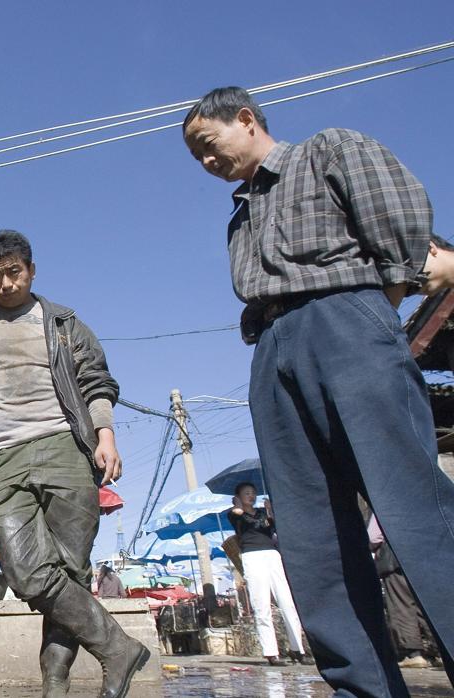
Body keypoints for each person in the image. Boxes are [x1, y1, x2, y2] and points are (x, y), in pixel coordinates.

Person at [182, 86, 454, 696]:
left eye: (208, 143)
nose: (206, 161)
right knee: (313, 535)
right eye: (196, 156)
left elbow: (404, 221)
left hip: (346, 320)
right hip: (272, 348)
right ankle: (363, 687)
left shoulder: (327, 149)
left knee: (412, 501)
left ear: (246, 119)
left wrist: (371, 314)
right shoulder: (240, 214)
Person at [0, 230, 149, 698]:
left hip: (66, 448)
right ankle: (118, 649)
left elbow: (96, 383)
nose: (5, 284)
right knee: (26, 571)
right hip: (1, 459)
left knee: (69, 573)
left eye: (13, 273)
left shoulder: (63, 323)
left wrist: (105, 435)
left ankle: (55, 685)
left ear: (30, 269)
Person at [225, 482, 311, 667]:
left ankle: (298, 649)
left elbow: (274, 528)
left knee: (287, 602)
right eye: (246, 493)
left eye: (253, 493)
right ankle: (271, 652)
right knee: (261, 604)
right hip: (252, 556)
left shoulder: (263, 513)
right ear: (239, 496)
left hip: (272, 555)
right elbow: (237, 514)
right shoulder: (235, 513)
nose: (251, 496)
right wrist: (237, 505)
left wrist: (270, 510)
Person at [368, 514, 445, 670]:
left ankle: (413, 654)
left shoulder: (384, 505)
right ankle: (441, 651)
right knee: (425, 605)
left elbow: (373, 537)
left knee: (400, 604)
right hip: (424, 558)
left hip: (396, 559)